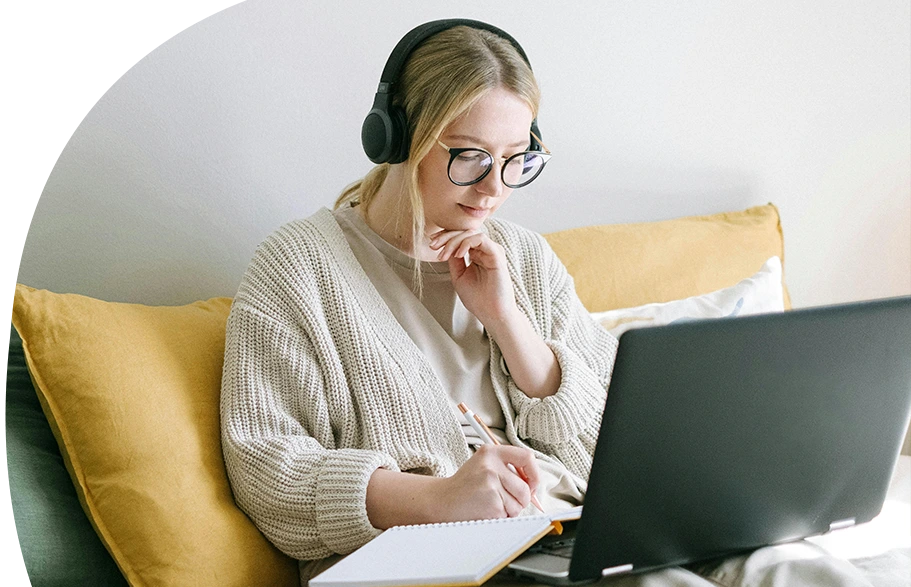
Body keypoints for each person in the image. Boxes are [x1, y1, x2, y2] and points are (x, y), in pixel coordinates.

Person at [220, 19, 874, 587]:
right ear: (395, 138)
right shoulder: (299, 267)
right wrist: (441, 497)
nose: (494, 189)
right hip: (433, 562)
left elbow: (617, 447)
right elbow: (270, 473)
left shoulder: (522, 257)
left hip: (574, 533)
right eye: (469, 157)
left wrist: (510, 325)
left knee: (791, 567)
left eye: (516, 159)